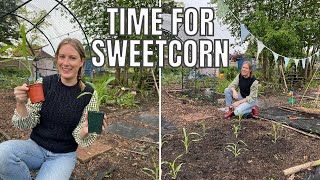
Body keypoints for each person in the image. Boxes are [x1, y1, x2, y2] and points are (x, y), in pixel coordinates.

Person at [0, 38, 107, 179]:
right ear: (57, 59)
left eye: (72, 58)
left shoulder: (89, 94)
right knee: (3, 154)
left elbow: (81, 138)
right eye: (62, 57)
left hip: (63, 156)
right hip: (35, 147)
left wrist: (85, 131)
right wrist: (20, 103)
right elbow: (27, 123)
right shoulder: (43, 84)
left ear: (82, 61)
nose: (66, 63)